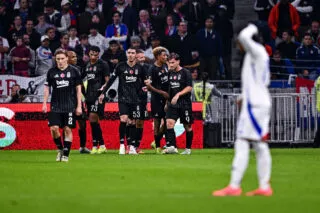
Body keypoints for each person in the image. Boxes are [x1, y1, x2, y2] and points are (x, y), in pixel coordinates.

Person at [213, 24, 273, 196]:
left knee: (243, 142)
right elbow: (255, 82)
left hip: (255, 105)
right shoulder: (255, 55)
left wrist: (252, 26)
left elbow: (245, 38)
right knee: (259, 145)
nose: (238, 43)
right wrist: (242, 97)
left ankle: (235, 186)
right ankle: (263, 186)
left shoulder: (257, 51)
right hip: (255, 102)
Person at [99, 47, 145, 155]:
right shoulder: (120, 66)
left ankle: (131, 146)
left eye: (133, 53)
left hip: (135, 99)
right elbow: (111, 80)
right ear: (126, 54)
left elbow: (145, 81)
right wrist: (103, 93)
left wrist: (146, 86)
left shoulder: (140, 68)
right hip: (123, 98)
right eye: (129, 53)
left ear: (135, 55)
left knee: (132, 122)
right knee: (124, 119)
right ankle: (121, 145)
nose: (130, 55)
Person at [42, 49, 83, 162]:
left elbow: (78, 89)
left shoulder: (74, 71)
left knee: (67, 129)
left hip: (70, 105)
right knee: (54, 129)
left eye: (62, 59)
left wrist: (79, 106)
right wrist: (44, 103)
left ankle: (65, 154)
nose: (60, 61)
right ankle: (60, 149)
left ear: (67, 59)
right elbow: (46, 88)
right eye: (58, 59)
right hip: (55, 105)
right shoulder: (51, 72)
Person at [162, 53, 193, 155]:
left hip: (185, 103)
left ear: (178, 62)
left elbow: (189, 87)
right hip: (173, 104)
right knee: (169, 123)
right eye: (169, 63)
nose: (170, 65)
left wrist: (178, 94)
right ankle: (172, 147)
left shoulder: (186, 72)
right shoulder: (170, 73)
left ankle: (188, 149)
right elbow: (169, 89)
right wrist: (167, 102)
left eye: (172, 62)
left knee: (187, 127)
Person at [83, 46, 110, 154]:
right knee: (93, 122)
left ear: (99, 54)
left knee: (93, 118)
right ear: (88, 54)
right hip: (89, 96)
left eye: (96, 54)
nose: (93, 55)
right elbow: (84, 80)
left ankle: (95, 145)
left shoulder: (103, 64)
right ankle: (102, 145)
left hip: (98, 95)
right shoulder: (87, 65)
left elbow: (108, 80)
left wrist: (103, 91)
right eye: (91, 53)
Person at [144, 46, 169, 153]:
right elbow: (149, 86)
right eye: (164, 55)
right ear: (158, 57)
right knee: (157, 122)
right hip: (157, 98)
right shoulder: (152, 69)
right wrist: (161, 92)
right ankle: (158, 146)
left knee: (168, 121)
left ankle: (156, 141)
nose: (166, 57)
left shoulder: (165, 66)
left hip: (167, 98)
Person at [67, 50, 91, 154]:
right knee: (66, 125)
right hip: (66, 101)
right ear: (66, 58)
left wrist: (85, 99)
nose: (75, 58)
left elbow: (81, 86)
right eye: (72, 57)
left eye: (75, 56)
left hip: (77, 101)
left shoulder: (78, 69)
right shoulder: (60, 70)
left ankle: (83, 147)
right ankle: (65, 147)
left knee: (82, 124)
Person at [134, 49, 150, 153]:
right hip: (131, 99)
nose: (141, 59)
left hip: (143, 99)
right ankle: (129, 145)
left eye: (143, 57)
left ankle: (137, 146)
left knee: (140, 122)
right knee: (130, 122)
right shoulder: (130, 69)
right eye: (139, 57)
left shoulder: (148, 68)